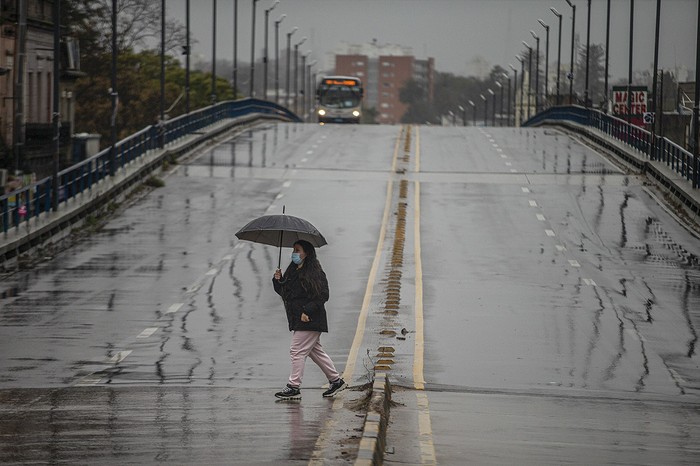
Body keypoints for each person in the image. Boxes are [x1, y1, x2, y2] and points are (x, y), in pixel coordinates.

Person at [272, 239, 346, 400]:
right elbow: (286, 294)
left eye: (297, 250)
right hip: (298, 318)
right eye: (293, 250)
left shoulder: (315, 272)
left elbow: (323, 295)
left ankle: (293, 386)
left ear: (307, 253)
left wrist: (307, 311)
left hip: (310, 319)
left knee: (296, 350)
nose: (294, 254)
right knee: (314, 352)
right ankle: (336, 380)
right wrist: (277, 280)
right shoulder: (292, 270)